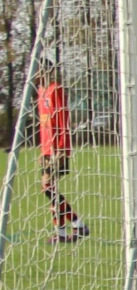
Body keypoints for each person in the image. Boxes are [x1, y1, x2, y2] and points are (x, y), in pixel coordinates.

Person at [35, 69, 85, 244]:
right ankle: (63, 233)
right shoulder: (40, 92)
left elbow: (63, 121)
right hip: (48, 150)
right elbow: (45, 125)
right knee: (51, 190)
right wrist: (43, 150)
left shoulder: (56, 90)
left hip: (57, 149)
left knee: (48, 187)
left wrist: (62, 149)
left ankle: (77, 223)